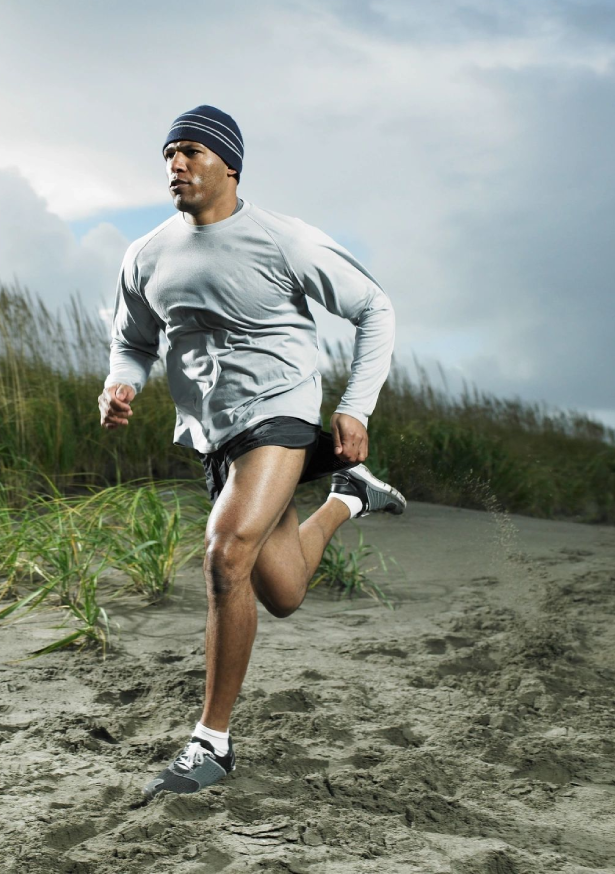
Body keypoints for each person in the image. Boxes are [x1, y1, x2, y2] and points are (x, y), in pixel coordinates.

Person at [98, 105, 406, 801]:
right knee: (283, 590)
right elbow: (134, 341)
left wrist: (354, 404)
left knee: (224, 552)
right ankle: (349, 497)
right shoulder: (146, 255)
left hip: (282, 413)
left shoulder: (283, 241)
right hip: (215, 435)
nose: (176, 164)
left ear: (229, 164)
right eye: (169, 154)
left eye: (191, 152)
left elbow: (373, 309)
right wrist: (121, 383)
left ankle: (211, 743)